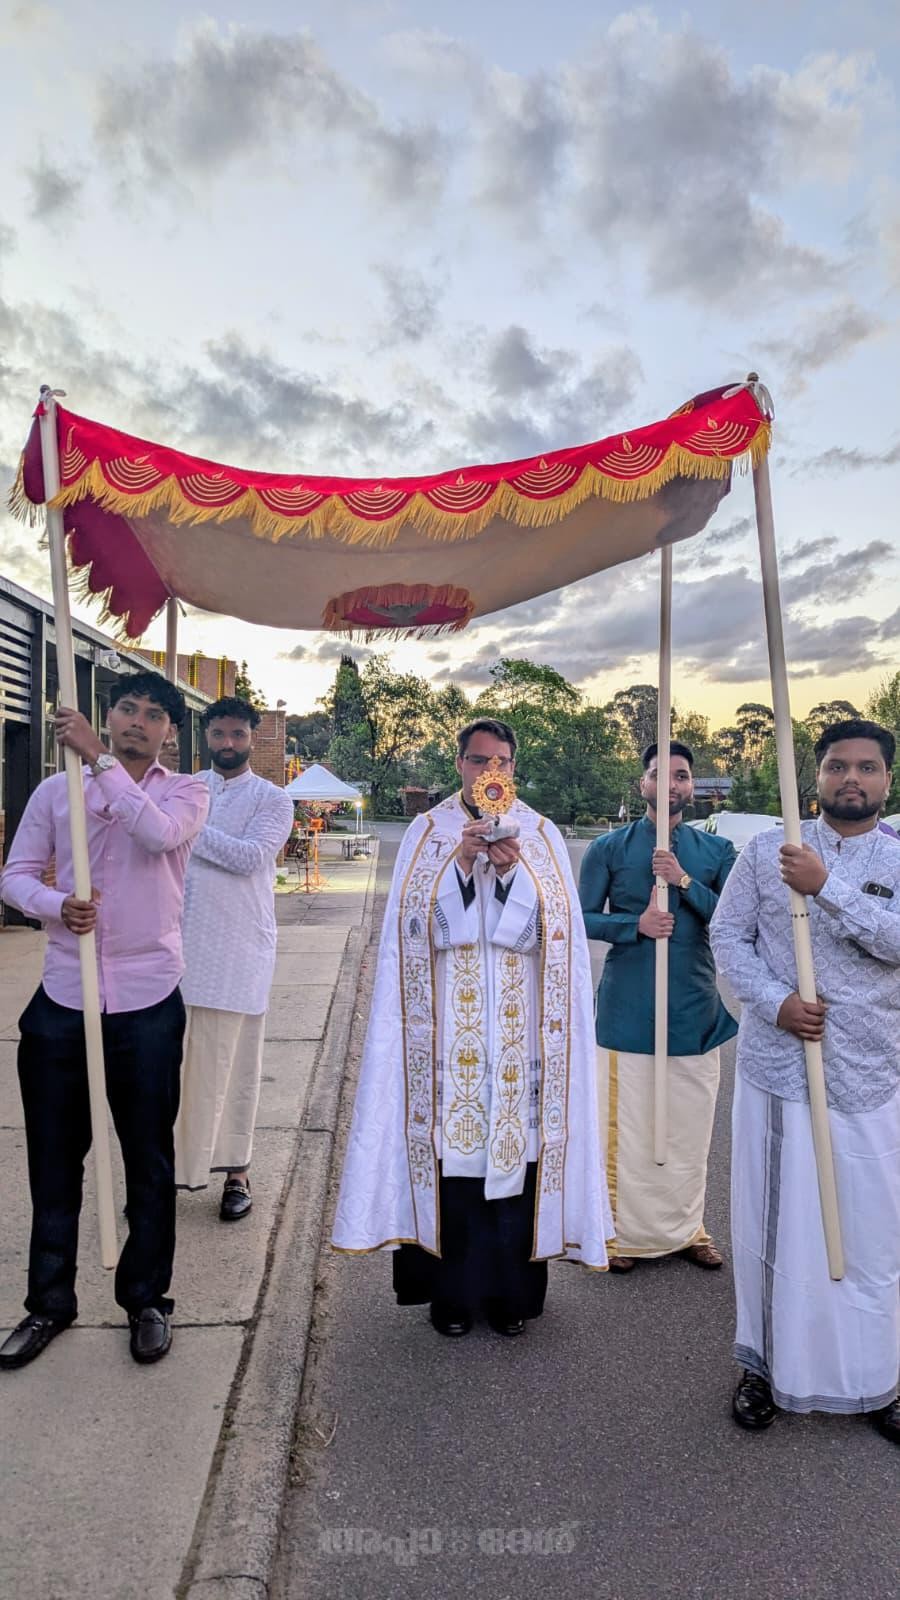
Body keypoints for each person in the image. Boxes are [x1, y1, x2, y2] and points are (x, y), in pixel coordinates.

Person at [333, 718, 612, 1337]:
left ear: (514, 768)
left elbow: (555, 934)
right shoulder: (428, 831)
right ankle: (451, 1299)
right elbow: (412, 930)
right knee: (452, 1163)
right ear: (460, 764)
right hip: (447, 1033)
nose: (491, 771)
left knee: (516, 1160)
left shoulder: (539, 832)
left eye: (502, 761)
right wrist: (460, 864)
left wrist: (511, 876)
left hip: (517, 1033)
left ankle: (512, 1299)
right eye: (480, 759)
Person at [0, 672, 208, 1369]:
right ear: (107, 712)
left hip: (148, 1001)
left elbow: (155, 836)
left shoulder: (185, 793)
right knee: (55, 1161)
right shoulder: (54, 793)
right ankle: (47, 1304)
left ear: (169, 730)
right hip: (64, 997)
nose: (137, 722)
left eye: (153, 714)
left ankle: (146, 1300)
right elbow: (15, 875)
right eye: (126, 709)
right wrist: (55, 906)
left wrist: (97, 760)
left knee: (148, 1160)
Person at [710, 719, 900, 1443]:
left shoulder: (896, 858)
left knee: (871, 1236)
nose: (851, 778)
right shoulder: (766, 851)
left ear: (886, 780)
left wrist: (828, 890)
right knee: (774, 1229)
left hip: (870, 1074)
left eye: (867, 767)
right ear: (815, 776)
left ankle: (877, 1377)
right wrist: (774, 1002)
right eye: (836, 765)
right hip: (778, 1071)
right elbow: (728, 936)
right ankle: (762, 1367)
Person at [579, 741, 737, 1273]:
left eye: (682, 775)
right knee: (628, 1129)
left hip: (694, 1008)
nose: (670, 783)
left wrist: (683, 881)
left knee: (688, 1131)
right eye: (658, 774)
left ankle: (688, 1229)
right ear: (642, 782)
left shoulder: (716, 851)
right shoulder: (608, 848)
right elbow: (579, 918)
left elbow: (735, 919)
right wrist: (636, 925)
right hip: (627, 1008)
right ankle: (619, 1235)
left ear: (693, 787)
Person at [174, 696, 294, 1218]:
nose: (228, 743)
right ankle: (165, 1174)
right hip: (176, 948)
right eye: (219, 734)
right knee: (172, 1071)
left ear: (252, 737)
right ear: (205, 735)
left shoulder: (273, 799)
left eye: (238, 734)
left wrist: (183, 825)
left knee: (235, 1067)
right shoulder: (185, 789)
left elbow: (249, 858)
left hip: (239, 949)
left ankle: (237, 1174)